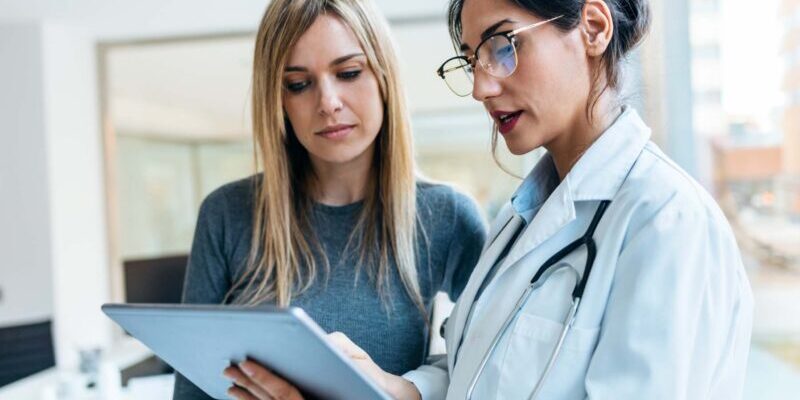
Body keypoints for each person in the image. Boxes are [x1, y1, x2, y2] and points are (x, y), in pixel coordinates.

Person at [226, 0, 754, 399]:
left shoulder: (665, 222)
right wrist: (389, 387)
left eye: (504, 45)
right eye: (472, 58)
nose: (480, 86)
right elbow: (469, 369)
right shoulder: (522, 220)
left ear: (593, 27)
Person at [172, 0, 488, 399]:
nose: (328, 103)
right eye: (298, 84)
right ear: (278, 99)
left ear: (384, 76)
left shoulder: (447, 217)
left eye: (349, 72)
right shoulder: (227, 215)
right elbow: (191, 393)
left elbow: (493, 373)